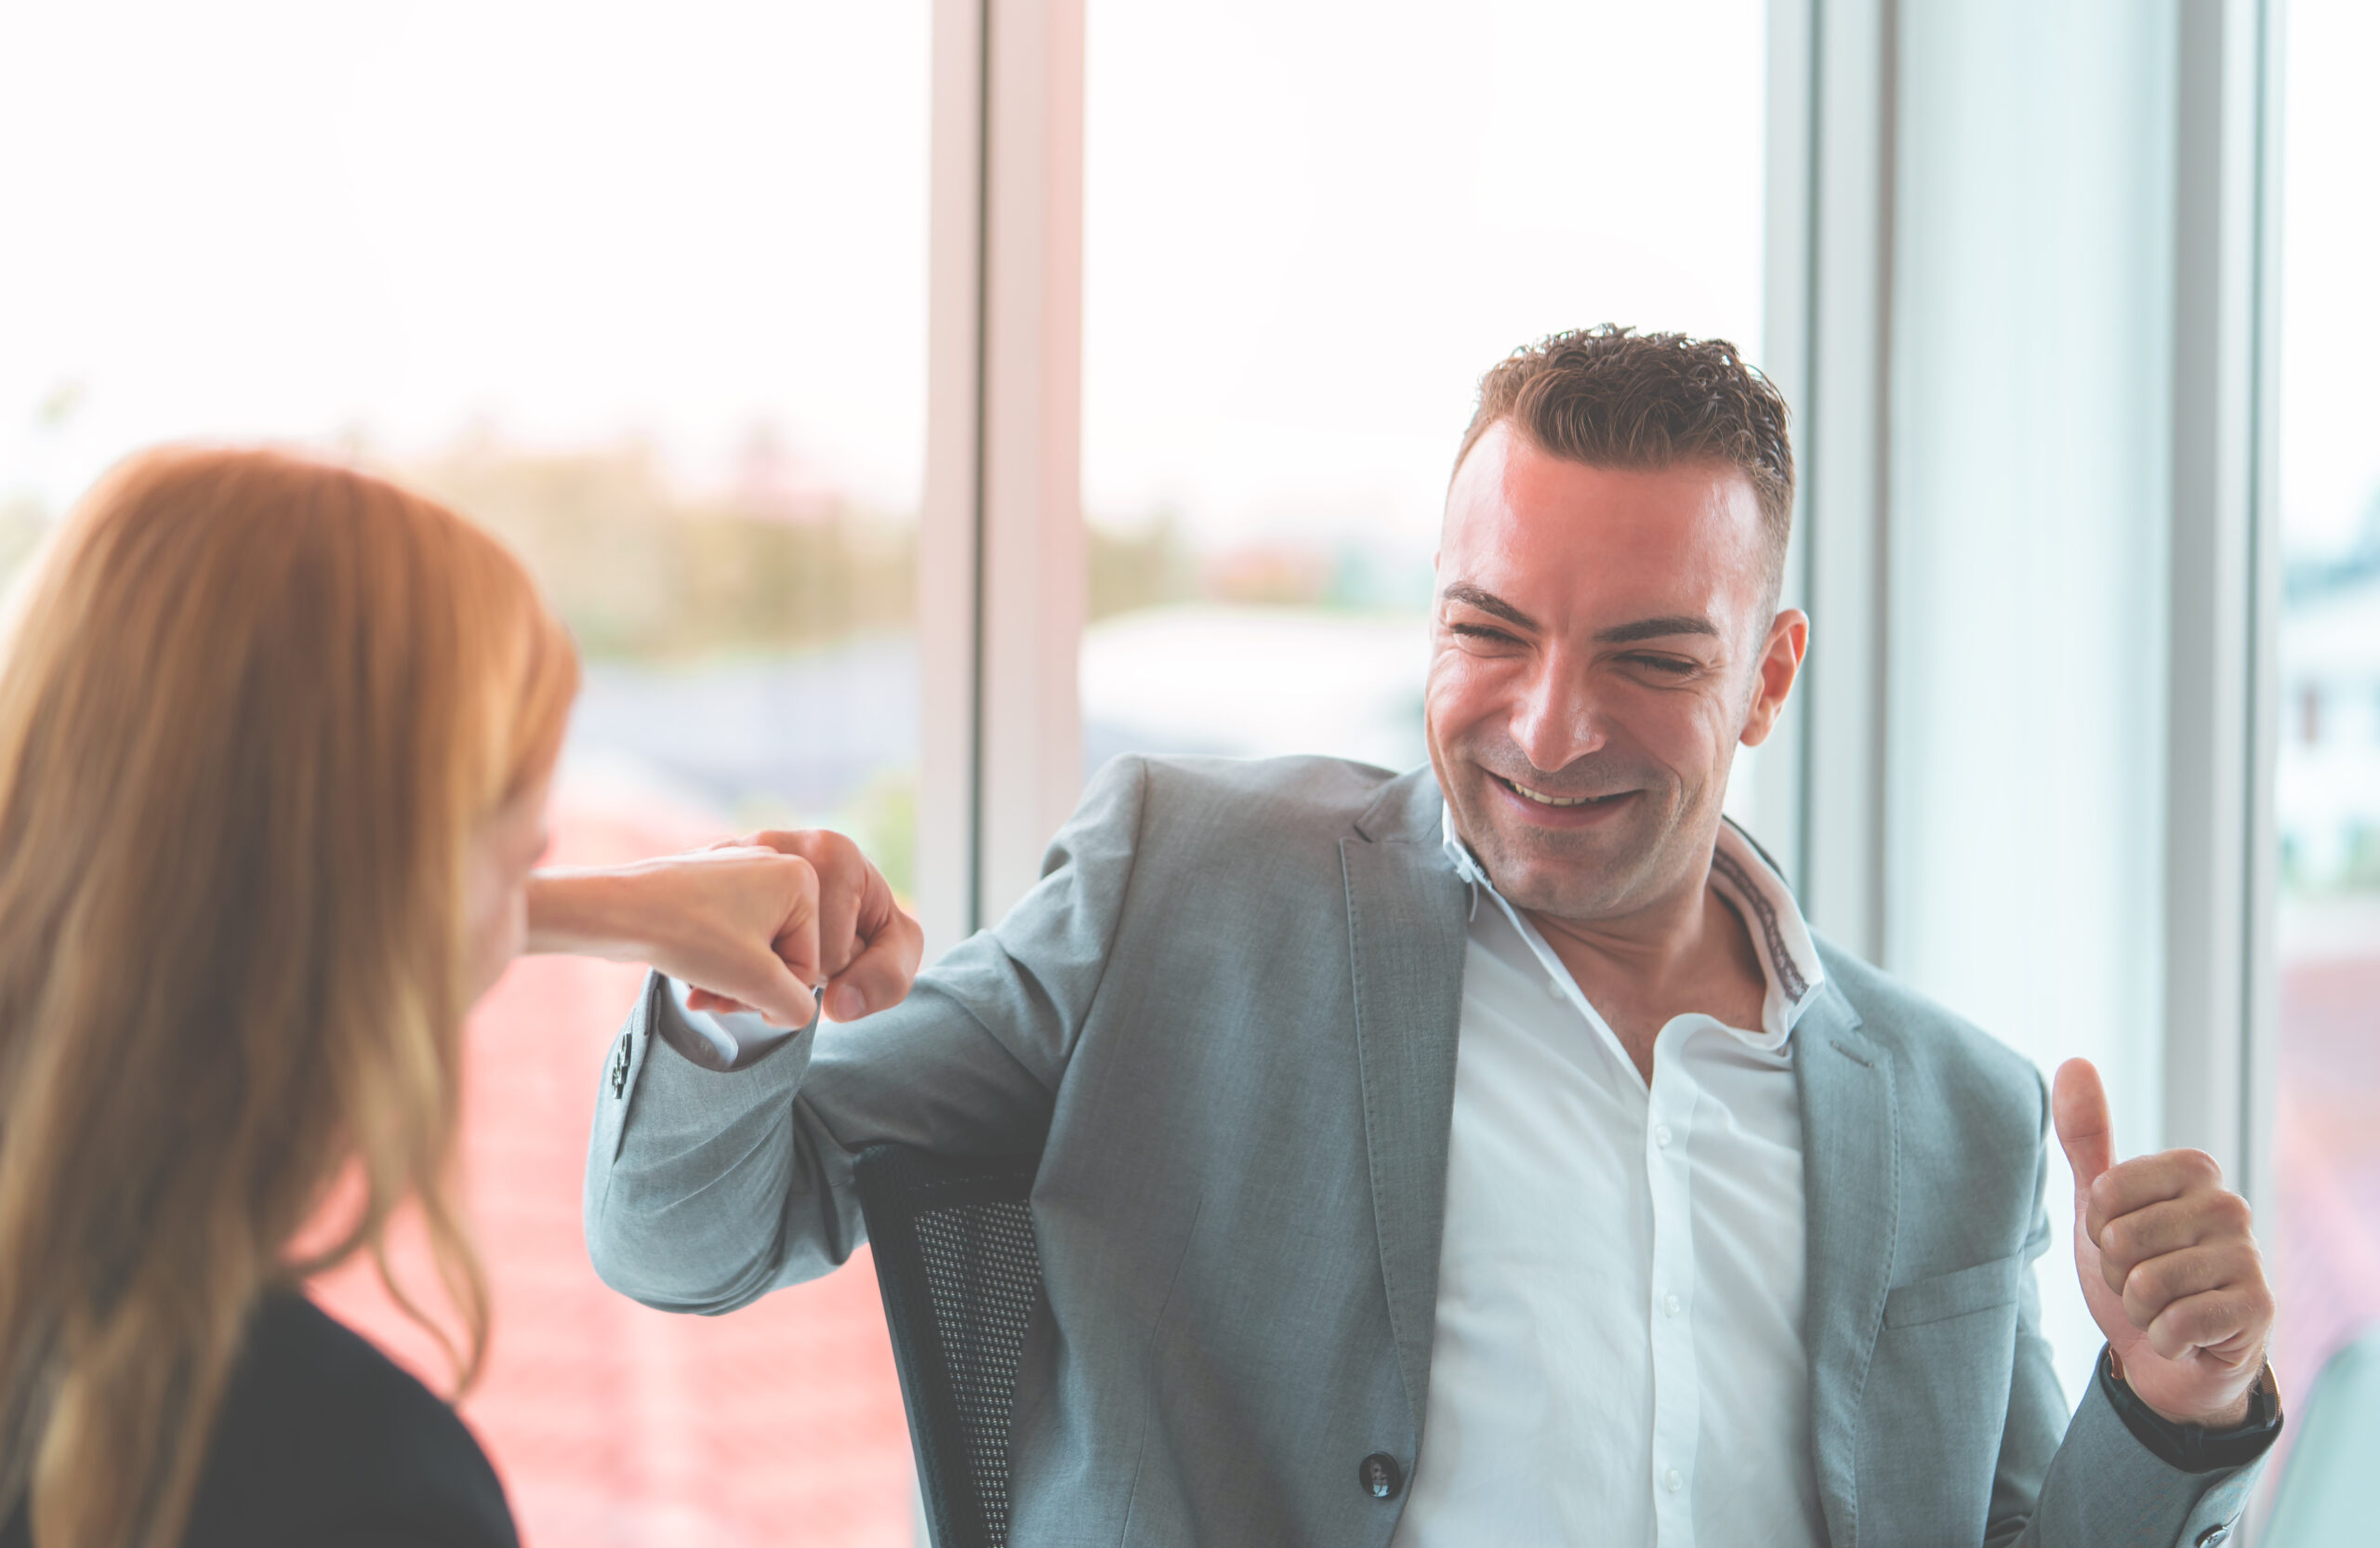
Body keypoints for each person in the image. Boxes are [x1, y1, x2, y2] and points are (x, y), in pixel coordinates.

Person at [579, 328, 2282, 1546]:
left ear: (1768, 675)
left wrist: (2174, 1404)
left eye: (1652, 657)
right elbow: (691, 1235)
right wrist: (733, 1009)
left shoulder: (1957, 1112)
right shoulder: (1183, 893)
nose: (1549, 729)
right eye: (1491, 630)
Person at [0, 448, 902, 1548]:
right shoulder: (355, 1479)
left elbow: (235, 888)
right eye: (507, 817)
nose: (544, 842)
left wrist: (613, 906)